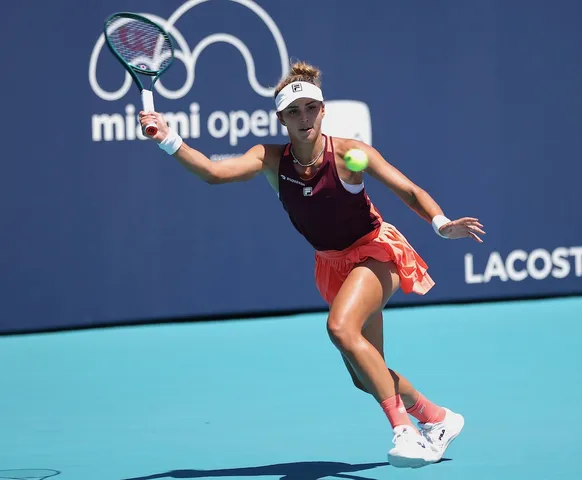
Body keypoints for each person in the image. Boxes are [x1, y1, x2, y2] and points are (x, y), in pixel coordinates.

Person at [139, 61, 485, 468]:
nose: (304, 118)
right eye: (293, 111)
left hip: (376, 251)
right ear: (281, 119)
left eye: (310, 109)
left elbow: (408, 190)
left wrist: (441, 225)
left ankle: (404, 432)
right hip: (333, 265)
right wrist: (167, 138)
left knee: (340, 328)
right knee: (365, 376)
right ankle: (439, 419)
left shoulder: (351, 155)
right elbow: (215, 173)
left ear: (323, 111)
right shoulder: (270, 159)